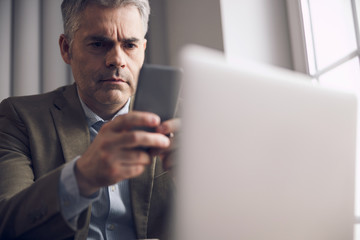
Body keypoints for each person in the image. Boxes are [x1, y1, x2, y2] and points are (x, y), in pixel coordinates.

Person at [0, 0, 179, 239]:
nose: (117, 59)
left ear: (143, 50)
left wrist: (201, 182)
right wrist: (81, 177)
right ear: (67, 48)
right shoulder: (19, 116)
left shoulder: (187, 121)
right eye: (98, 43)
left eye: (130, 45)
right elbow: (7, 223)